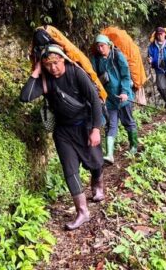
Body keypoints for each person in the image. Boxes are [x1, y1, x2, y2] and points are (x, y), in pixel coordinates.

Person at [20, 44, 104, 231]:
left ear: (63, 60)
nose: (53, 68)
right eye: (48, 65)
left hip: (86, 125)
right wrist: (37, 71)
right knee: (70, 170)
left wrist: (96, 129)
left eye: (56, 63)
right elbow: (25, 97)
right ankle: (82, 212)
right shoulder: (45, 79)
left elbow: (94, 100)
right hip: (63, 131)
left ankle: (97, 184)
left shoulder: (76, 73)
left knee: (96, 162)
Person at [91, 34, 139, 163]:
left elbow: (125, 76)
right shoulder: (95, 60)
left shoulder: (117, 55)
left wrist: (124, 92)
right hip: (109, 98)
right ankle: (110, 154)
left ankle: (134, 146)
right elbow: (93, 78)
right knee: (111, 124)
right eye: (98, 46)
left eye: (102, 46)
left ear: (108, 45)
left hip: (123, 96)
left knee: (128, 121)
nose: (100, 49)